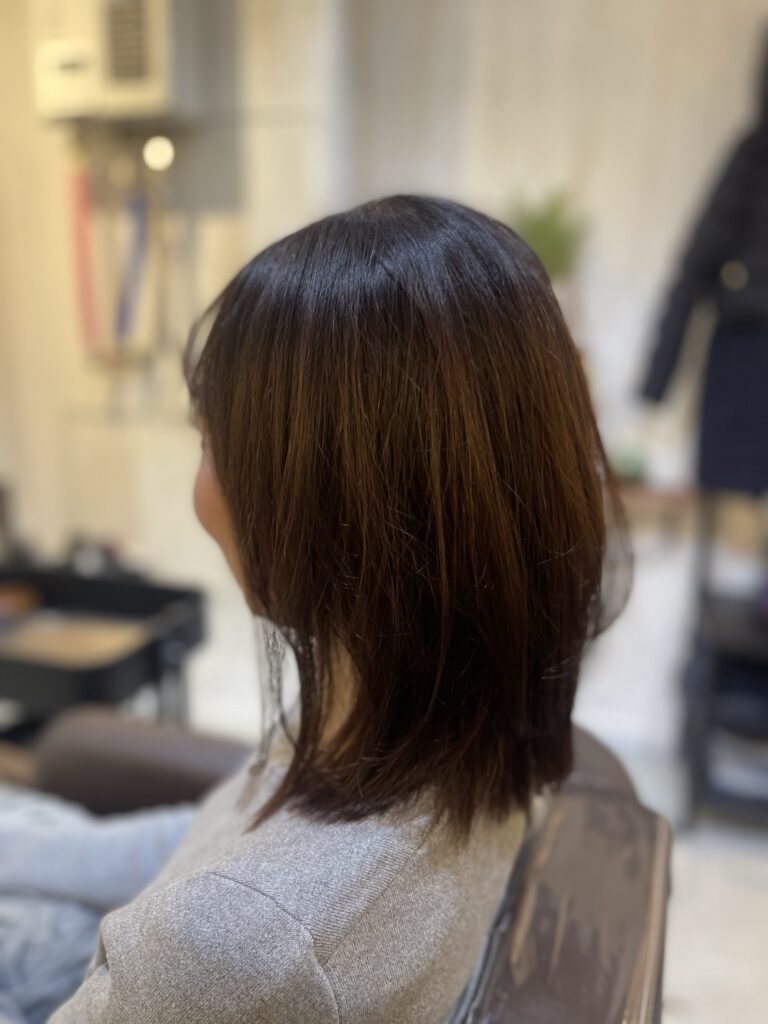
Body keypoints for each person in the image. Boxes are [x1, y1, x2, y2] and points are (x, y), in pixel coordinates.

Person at [40, 195, 624, 1022]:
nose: (200, 493)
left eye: (210, 443)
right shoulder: (447, 723)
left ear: (326, 499)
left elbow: (213, 913)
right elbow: (217, 834)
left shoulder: (237, 950)